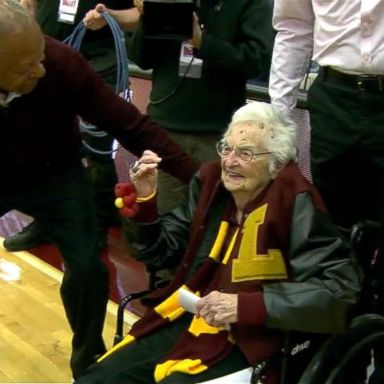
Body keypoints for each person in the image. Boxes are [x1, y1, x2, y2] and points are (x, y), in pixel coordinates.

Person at [75, 101, 361, 384]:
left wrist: (249, 306)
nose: (229, 161)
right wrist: (146, 204)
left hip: (252, 336)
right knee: (99, 377)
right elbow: (159, 253)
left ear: (277, 163)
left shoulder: (297, 202)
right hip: (188, 316)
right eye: (226, 148)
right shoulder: (210, 183)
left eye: (246, 153)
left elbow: (339, 292)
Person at [0, 0, 199, 378]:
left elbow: (131, 126)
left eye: (39, 55)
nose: (40, 70)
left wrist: (201, 177)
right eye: (25, 68)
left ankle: (89, 360)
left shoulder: (60, 63)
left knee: (89, 266)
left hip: (55, 174)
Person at [269, 2, 384, 382]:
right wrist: (278, 122)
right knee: (331, 245)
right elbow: (293, 31)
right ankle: (336, 368)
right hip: (335, 99)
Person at [84, 0, 275, 213]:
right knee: (164, 216)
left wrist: (202, 42)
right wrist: (150, 16)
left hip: (218, 135)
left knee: (214, 216)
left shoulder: (248, 4)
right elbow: (141, 58)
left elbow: (255, 60)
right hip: (165, 130)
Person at [3, 0, 140, 251]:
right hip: (44, 62)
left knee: (98, 150)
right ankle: (46, 222)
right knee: (42, 145)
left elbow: (139, 16)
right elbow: (29, 4)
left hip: (98, 66)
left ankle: (95, 224)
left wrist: (111, 16)